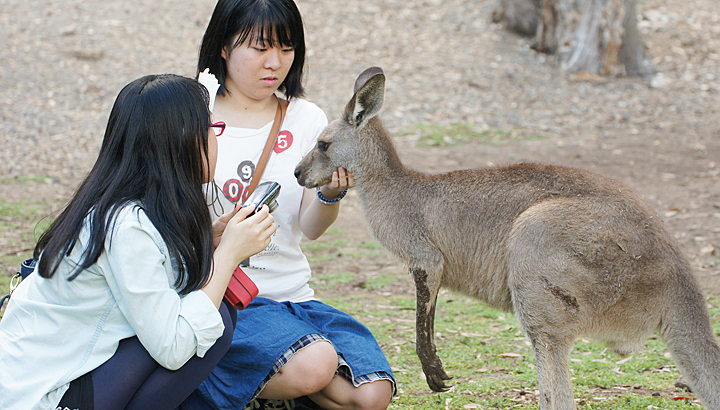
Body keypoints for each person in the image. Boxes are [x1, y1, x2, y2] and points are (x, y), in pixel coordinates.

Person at [0, 74, 277, 410]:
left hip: (54, 372)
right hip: (46, 395)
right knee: (213, 316)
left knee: (212, 312)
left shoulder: (123, 204)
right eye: (211, 128)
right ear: (182, 140)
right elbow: (173, 347)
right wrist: (229, 255)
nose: (216, 138)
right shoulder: (125, 225)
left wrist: (212, 241)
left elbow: (153, 285)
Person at [183, 1, 396, 409]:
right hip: (222, 299)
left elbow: (310, 227)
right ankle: (193, 376)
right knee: (315, 366)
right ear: (224, 47)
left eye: (286, 48)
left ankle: (257, 384)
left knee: (371, 395)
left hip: (293, 297)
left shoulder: (306, 118)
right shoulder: (192, 113)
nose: (274, 63)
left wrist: (331, 194)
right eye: (260, 48)